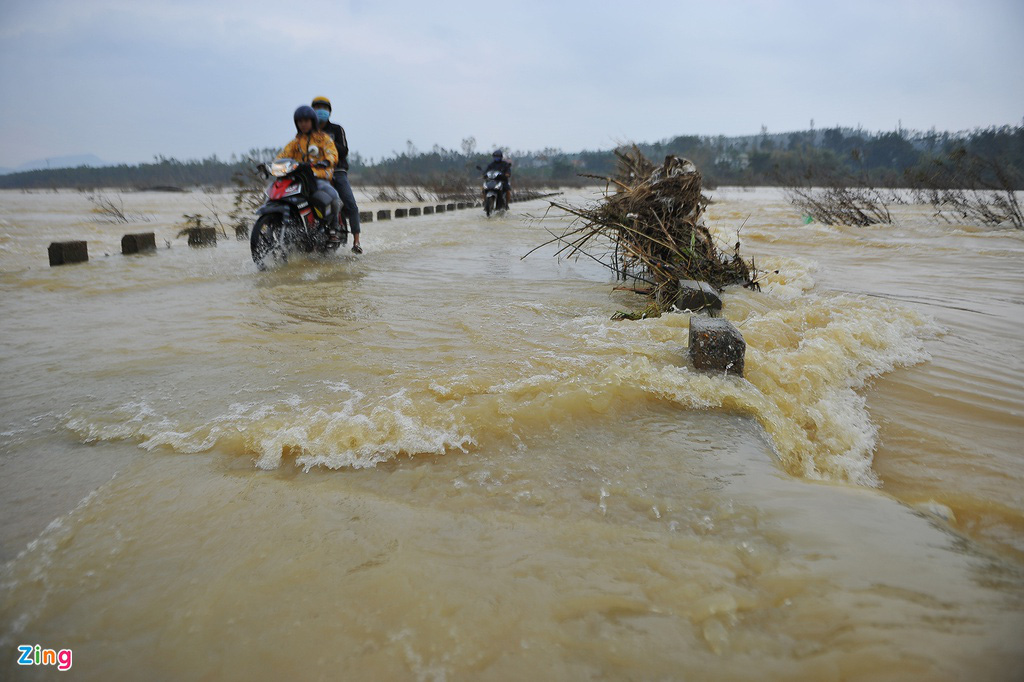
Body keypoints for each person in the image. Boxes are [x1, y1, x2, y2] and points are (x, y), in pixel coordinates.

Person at [280, 105, 343, 242]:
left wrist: (326, 161)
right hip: (298, 178)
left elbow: (332, 153)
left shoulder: (323, 139)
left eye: (306, 121)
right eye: (300, 121)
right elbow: (283, 156)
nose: (303, 124)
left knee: (333, 195)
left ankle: (333, 229)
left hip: (318, 177)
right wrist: (273, 165)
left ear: (313, 121)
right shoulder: (295, 143)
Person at [312, 96, 362, 254]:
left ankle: (356, 242)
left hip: (337, 171)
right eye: (317, 108)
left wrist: (327, 142)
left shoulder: (337, 129)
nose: (321, 111)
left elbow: (344, 150)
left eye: (324, 108)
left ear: (329, 112)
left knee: (351, 204)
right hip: (316, 172)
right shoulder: (308, 133)